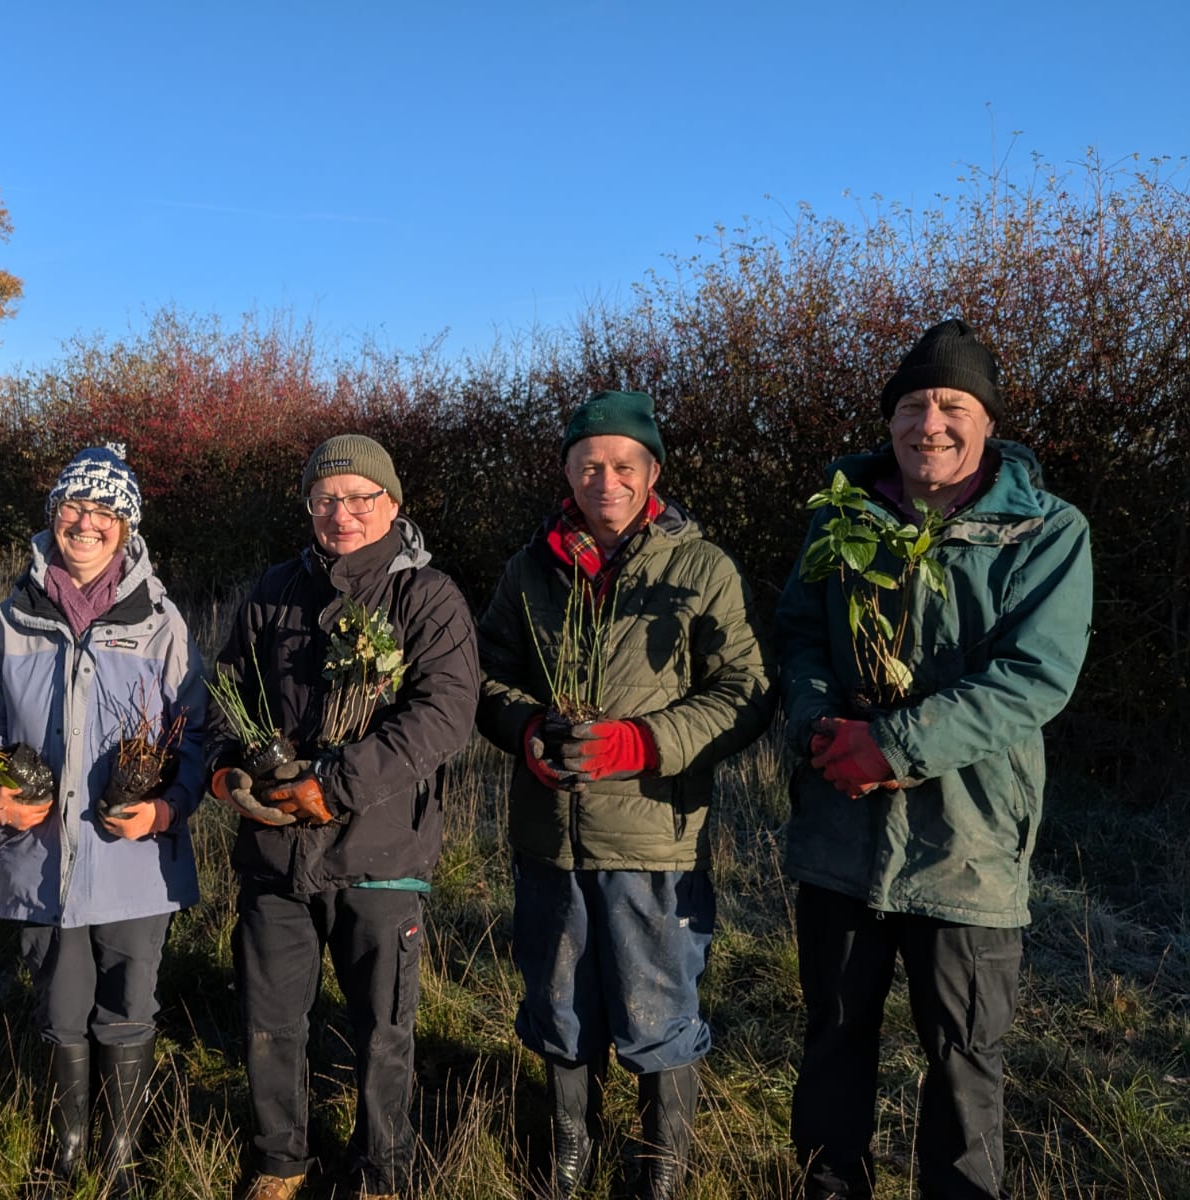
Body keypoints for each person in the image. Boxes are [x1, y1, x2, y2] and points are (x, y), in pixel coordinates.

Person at [776, 319, 1093, 1199]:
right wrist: (816, 727)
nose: (931, 423)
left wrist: (897, 745)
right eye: (913, 405)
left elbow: (1035, 676)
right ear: (890, 420)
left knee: (962, 1057)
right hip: (842, 832)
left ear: (988, 420)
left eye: (953, 404)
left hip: (968, 842)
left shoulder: (1045, 531)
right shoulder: (844, 515)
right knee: (833, 1037)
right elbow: (798, 635)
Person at [475, 390, 773, 1200]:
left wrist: (646, 743)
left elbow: (746, 690)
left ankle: (660, 1168)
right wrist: (526, 730)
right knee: (558, 999)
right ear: (568, 471)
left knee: (658, 1006)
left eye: (623, 465)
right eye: (589, 464)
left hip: (653, 835)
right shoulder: (530, 566)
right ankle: (570, 1144)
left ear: (652, 474)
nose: (605, 479)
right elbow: (485, 672)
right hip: (548, 833)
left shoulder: (700, 568)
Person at [208, 434, 478, 1200]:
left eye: (361, 497)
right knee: (270, 1022)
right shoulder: (271, 590)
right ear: (309, 508)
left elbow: (445, 715)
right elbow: (226, 693)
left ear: (393, 504)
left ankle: (383, 1170)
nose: (344, 513)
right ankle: (279, 1160)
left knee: (384, 1031)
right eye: (327, 499)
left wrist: (336, 785)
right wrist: (232, 774)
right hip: (274, 852)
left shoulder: (427, 598)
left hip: (380, 851)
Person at [0, 444, 205, 1199]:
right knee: (61, 1006)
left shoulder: (160, 623)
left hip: (135, 862)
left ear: (128, 526)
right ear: (53, 515)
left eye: (106, 510)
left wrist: (166, 808)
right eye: (74, 506)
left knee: (129, 1008)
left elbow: (194, 737)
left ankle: (122, 1153)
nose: (86, 522)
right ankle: (68, 1149)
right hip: (40, 860)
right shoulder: (11, 619)